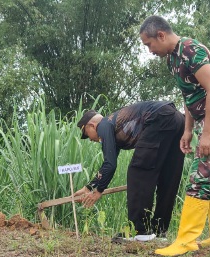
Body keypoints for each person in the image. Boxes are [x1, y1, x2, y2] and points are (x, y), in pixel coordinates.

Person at [139, 16, 210, 256]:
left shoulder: (190, 50)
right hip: (205, 121)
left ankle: (185, 241)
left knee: (200, 175)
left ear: (161, 35)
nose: (149, 50)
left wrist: (207, 133)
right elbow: (189, 97)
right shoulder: (173, 59)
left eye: (149, 44)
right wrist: (187, 130)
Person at [74, 101, 185, 241]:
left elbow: (109, 164)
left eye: (86, 134)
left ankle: (140, 231)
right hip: (178, 119)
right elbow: (110, 162)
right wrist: (89, 187)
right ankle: (159, 231)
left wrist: (98, 192)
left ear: (92, 125)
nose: (90, 139)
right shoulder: (114, 126)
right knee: (168, 177)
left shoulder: (104, 125)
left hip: (158, 118)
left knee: (138, 172)